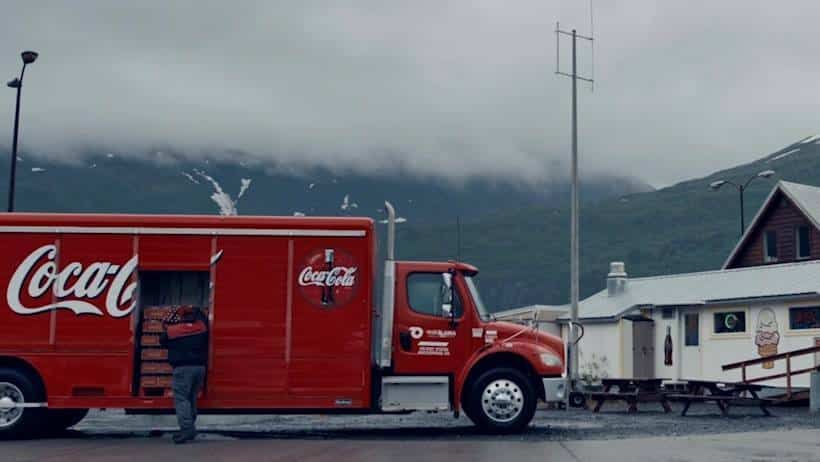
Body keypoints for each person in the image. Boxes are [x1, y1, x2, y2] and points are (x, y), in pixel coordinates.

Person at [159, 306, 209, 444]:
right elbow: (205, 320)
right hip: (200, 368)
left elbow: (162, 341)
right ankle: (190, 427)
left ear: (181, 318)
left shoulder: (173, 331)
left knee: (181, 399)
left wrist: (167, 326)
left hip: (183, 369)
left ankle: (187, 429)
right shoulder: (202, 327)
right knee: (191, 398)